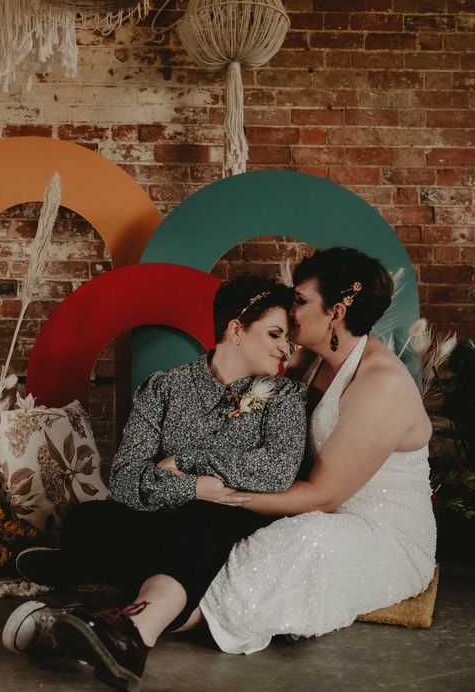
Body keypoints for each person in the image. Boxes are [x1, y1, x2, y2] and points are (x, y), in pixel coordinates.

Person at [1, 274, 308, 690]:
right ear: (236, 329)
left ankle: (130, 631)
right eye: (274, 333)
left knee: (194, 524)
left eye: (287, 339)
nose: (283, 348)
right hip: (161, 517)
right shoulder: (164, 388)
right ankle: (85, 590)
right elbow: (126, 478)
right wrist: (194, 486)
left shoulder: (285, 397)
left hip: (225, 523)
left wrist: (182, 462)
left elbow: (276, 471)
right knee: (88, 520)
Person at [194, 247, 437, 654]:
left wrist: (224, 494)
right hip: (313, 505)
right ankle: (158, 594)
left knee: (308, 538)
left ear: (337, 312)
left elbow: (324, 497)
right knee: (202, 518)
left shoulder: (382, 382)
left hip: (380, 536)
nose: (290, 310)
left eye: (301, 300)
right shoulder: (309, 357)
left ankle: (169, 617)